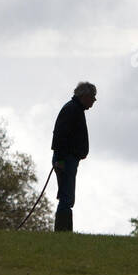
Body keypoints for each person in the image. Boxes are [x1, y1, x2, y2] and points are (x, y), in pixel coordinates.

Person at [51, 81, 95, 232]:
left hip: (68, 159)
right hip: (65, 159)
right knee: (66, 197)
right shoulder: (72, 109)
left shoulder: (75, 109)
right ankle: (63, 231)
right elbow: (59, 137)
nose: (94, 101)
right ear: (85, 96)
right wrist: (61, 160)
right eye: (93, 97)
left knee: (66, 196)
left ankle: (64, 231)